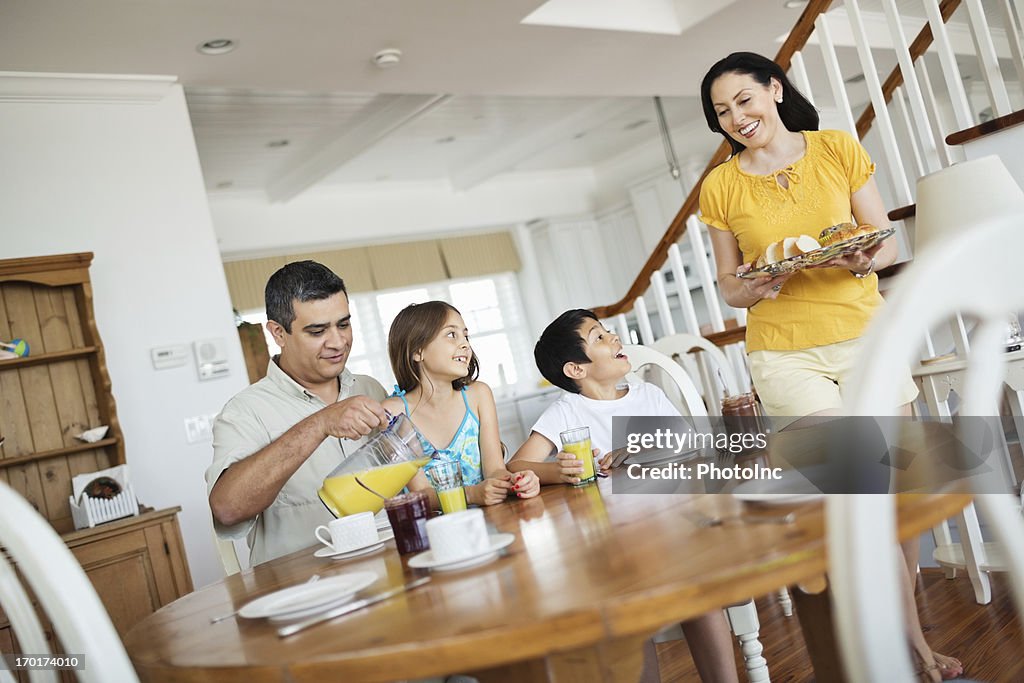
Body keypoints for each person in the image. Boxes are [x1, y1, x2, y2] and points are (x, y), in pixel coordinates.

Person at [698, 52, 961, 681]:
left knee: (896, 500)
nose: (736, 118)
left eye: (743, 100)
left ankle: (906, 637)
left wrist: (859, 258)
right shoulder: (722, 185)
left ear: (775, 90)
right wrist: (760, 285)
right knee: (856, 495)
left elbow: (883, 239)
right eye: (721, 111)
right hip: (785, 351)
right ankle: (905, 655)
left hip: (868, 337)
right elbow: (729, 286)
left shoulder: (837, 148)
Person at [508, 309, 739, 683]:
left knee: (698, 588)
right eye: (599, 337)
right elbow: (517, 465)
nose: (615, 338)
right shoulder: (567, 412)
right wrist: (560, 470)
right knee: (628, 613)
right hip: (613, 546)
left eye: (609, 332)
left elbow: (690, 446)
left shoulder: (649, 394)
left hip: (672, 527)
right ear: (576, 369)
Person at [207, 261, 389, 565]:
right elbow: (228, 508)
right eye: (317, 331)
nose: (338, 342)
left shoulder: (371, 390)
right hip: (303, 591)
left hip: (387, 571)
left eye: (343, 324)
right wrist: (321, 424)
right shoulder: (244, 412)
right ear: (278, 333)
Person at [383, 301, 540, 508]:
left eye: (466, 336)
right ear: (417, 351)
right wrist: (471, 494)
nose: (465, 344)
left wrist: (516, 482)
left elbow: (495, 470)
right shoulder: (393, 413)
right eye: (451, 335)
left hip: (492, 521)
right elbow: (421, 493)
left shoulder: (478, 395)